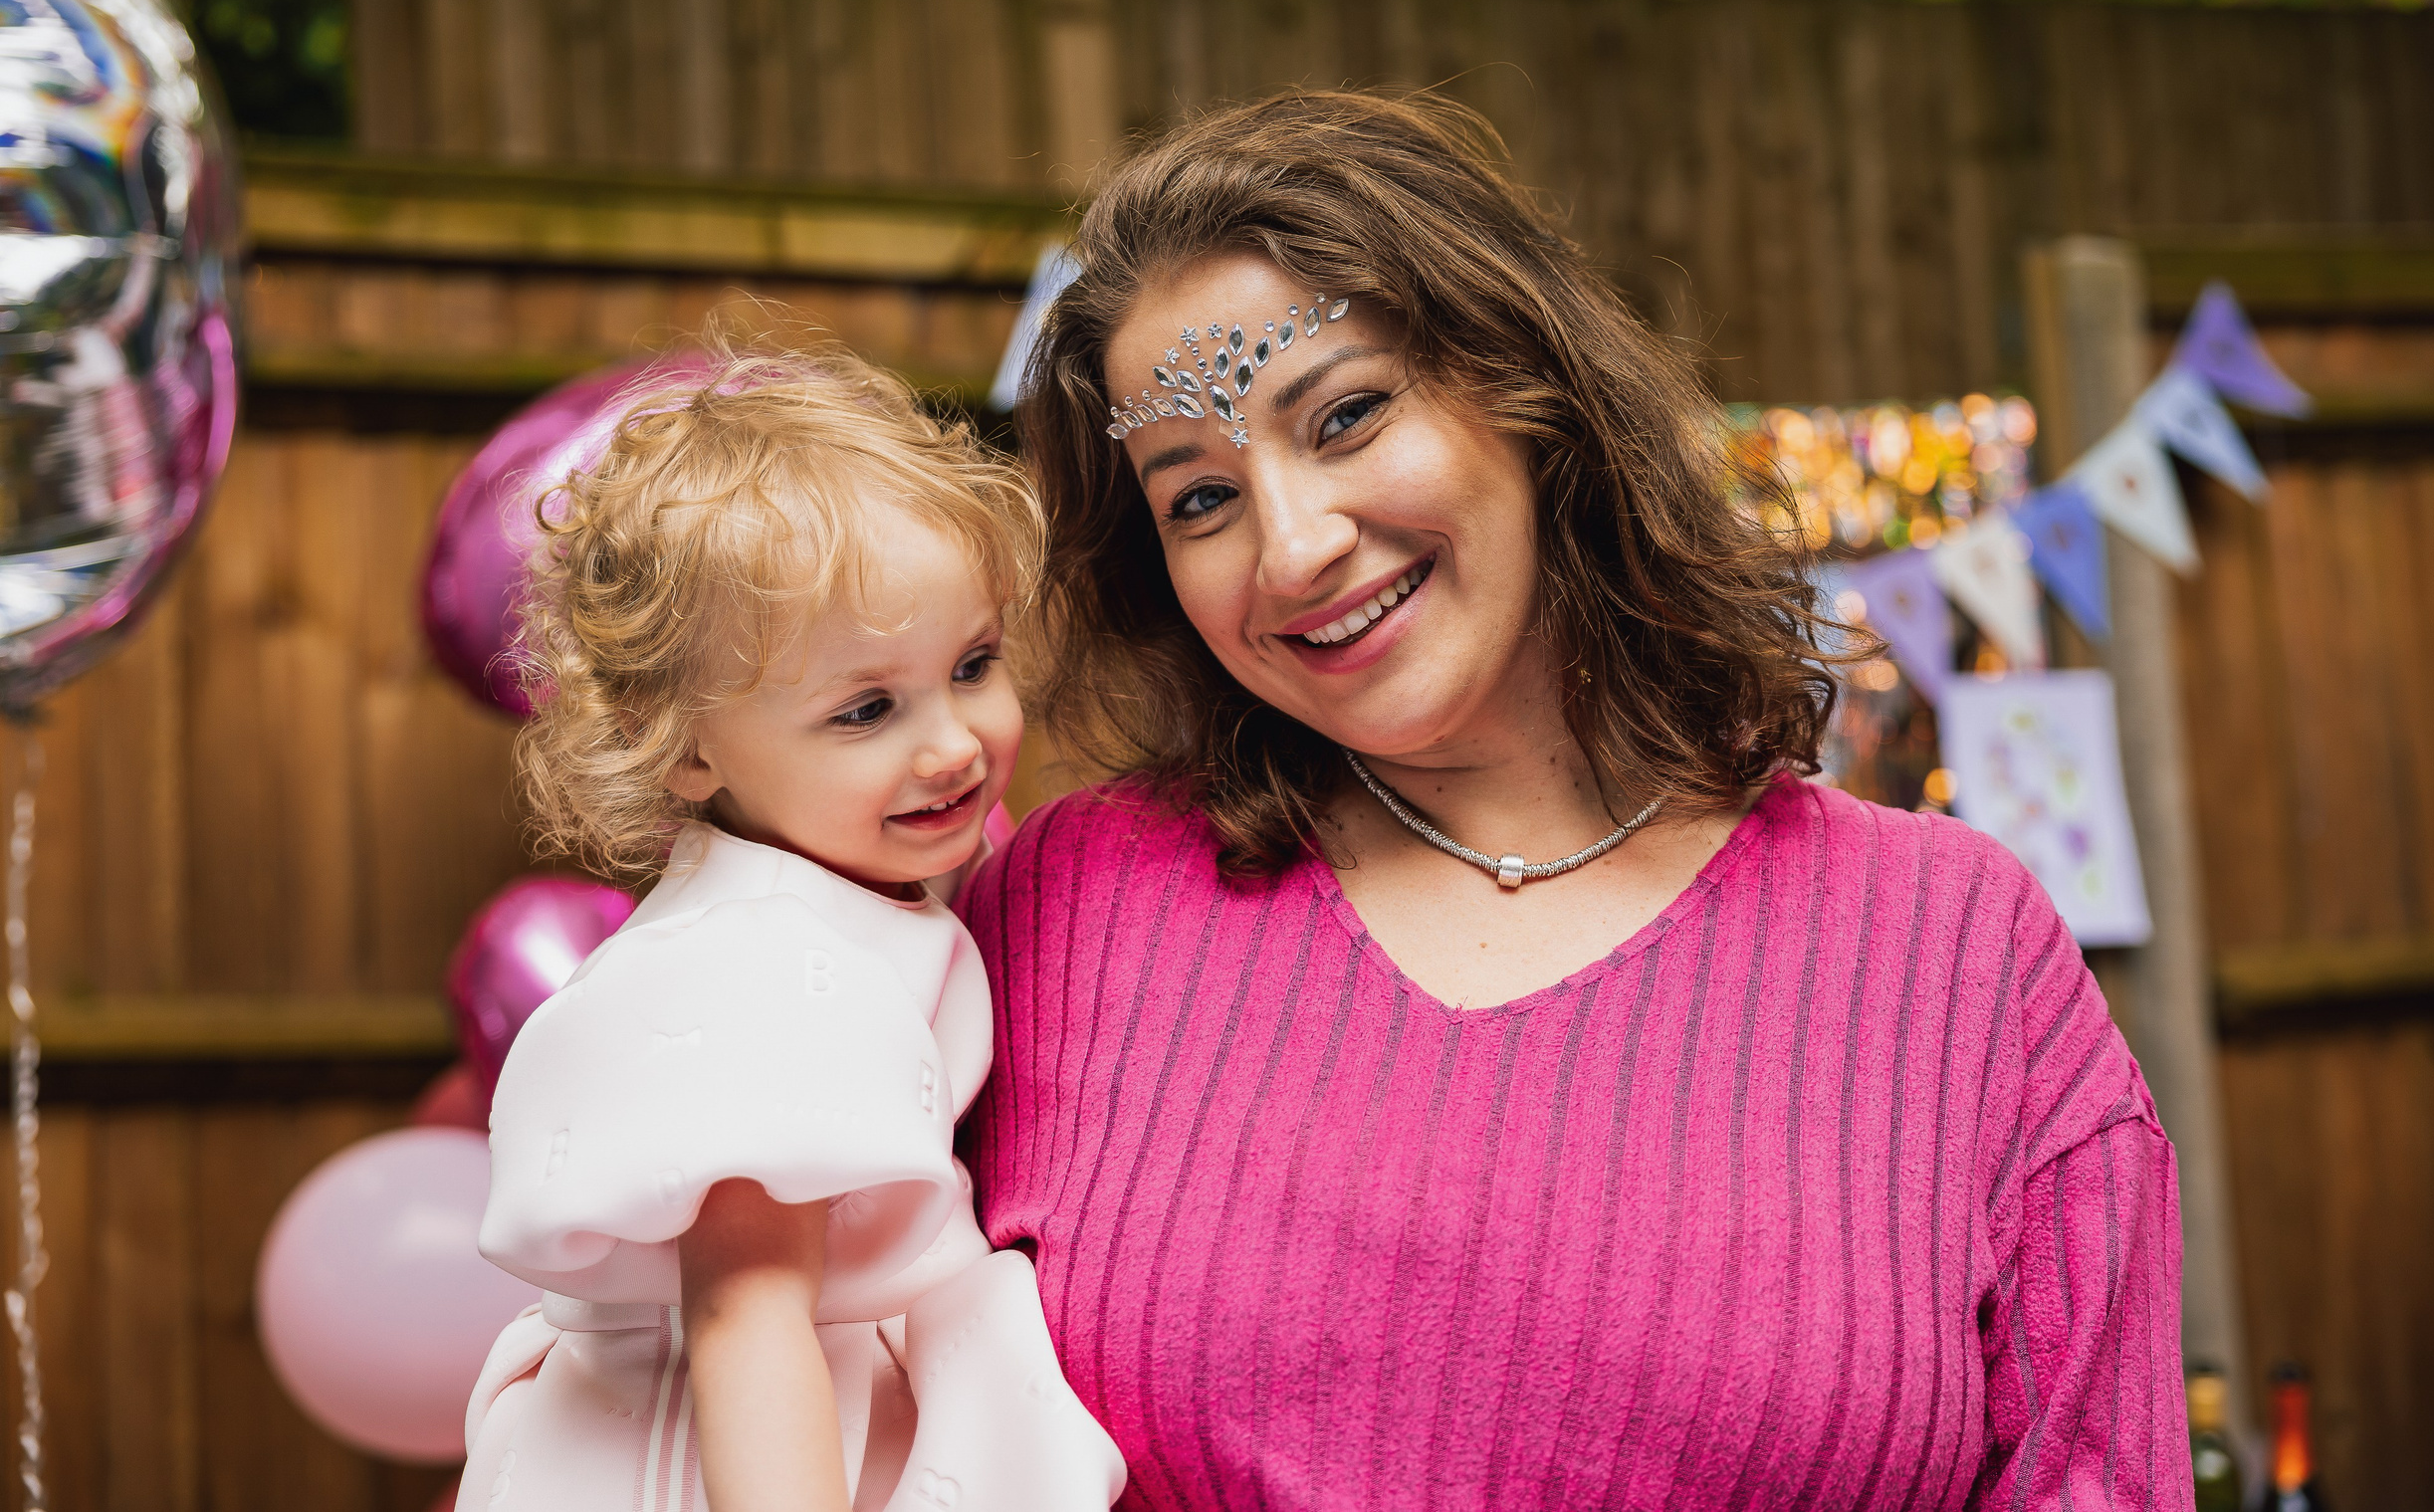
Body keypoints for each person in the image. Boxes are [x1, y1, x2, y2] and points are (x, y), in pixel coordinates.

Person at [960, 91, 2191, 1510]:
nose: (1291, 548)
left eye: (1346, 415)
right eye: (1197, 498)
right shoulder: (1065, 908)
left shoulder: (1957, 949)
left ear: (1527, 390)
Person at [455, 352, 1124, 1512]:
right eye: (866, 709)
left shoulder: (842, 899)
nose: (952, 744)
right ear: (685, 748)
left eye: (973, 666)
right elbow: (746, 1316)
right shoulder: (763, 967)